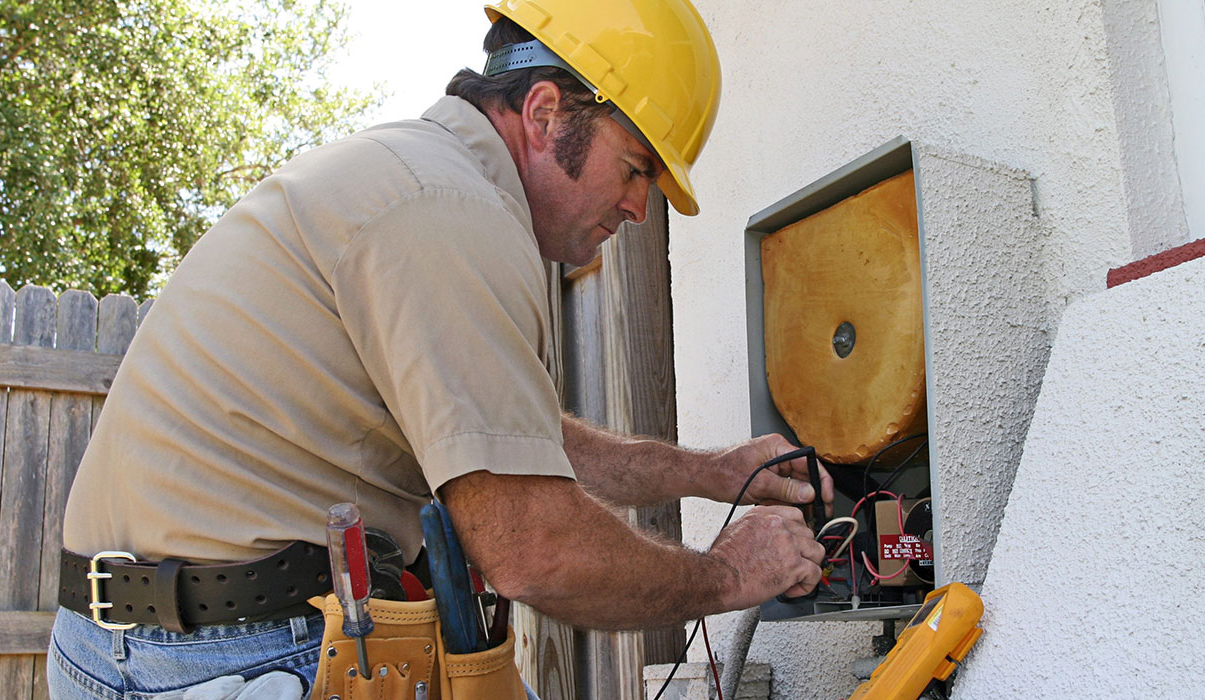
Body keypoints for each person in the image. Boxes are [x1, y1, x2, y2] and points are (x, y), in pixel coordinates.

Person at [46, 0, 830, 697]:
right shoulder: (451, 212)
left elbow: (516, 439)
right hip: (228, 660)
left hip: (129, 643)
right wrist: (732, 573)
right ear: (547, 113)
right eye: (635, 169)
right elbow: (535, 548)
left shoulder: (418, 177)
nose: (637, 206)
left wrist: (711, 473)